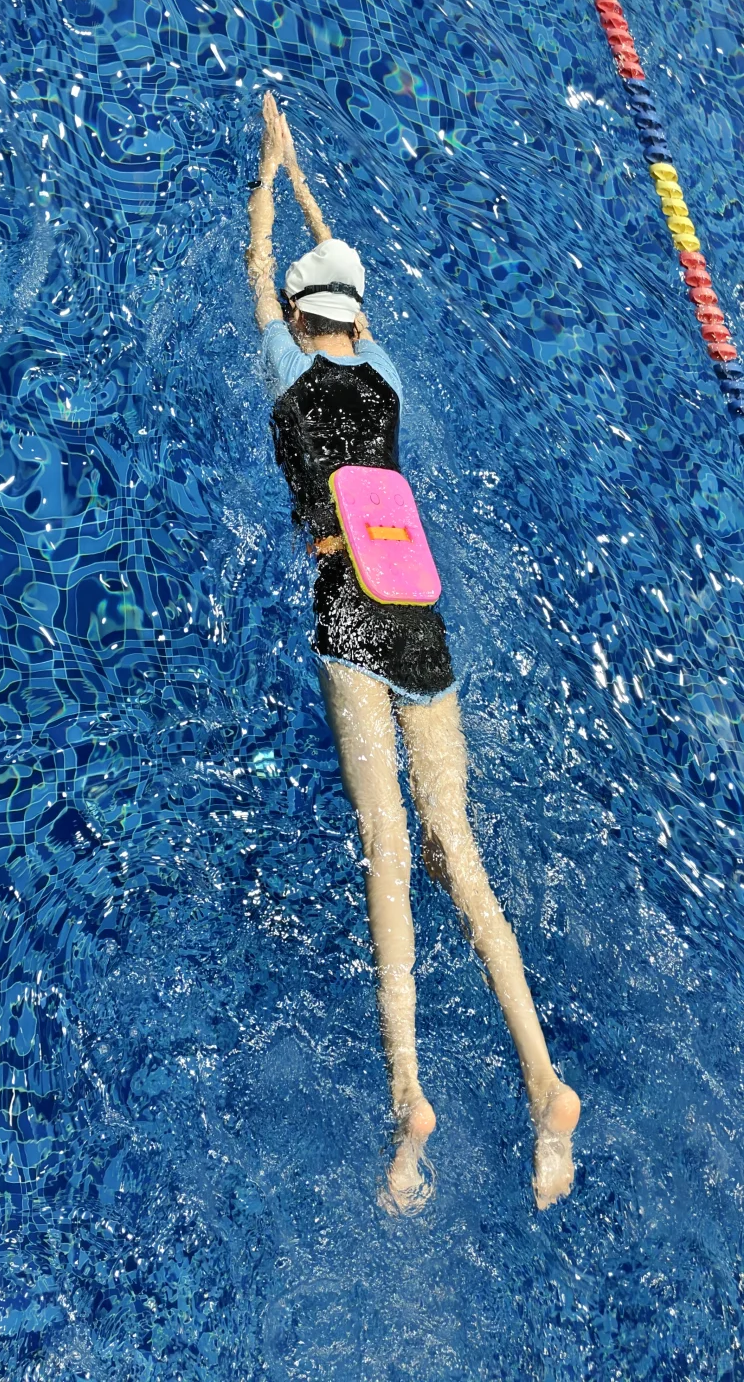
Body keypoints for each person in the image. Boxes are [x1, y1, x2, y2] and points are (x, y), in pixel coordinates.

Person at [245, 92, 580, 1213]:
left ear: (299, 317)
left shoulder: (283, 365)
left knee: (388, 848)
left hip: (349, 610)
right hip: (419, 613)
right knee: (458, 849)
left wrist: (268, 179)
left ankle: (410, 1104)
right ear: (359, 318)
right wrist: (309, 186)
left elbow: (259, 272)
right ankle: (543, 1081)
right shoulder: (384, 374)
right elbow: (329, 271)